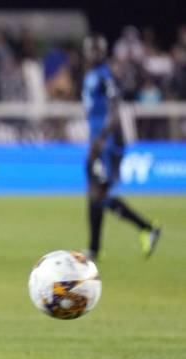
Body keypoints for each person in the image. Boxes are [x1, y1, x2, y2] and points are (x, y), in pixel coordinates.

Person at [82, 34, 161, 261]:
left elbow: (115, 111)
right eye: (90, 50)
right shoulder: (91, 76)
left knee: (100, 193)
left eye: (96, 50)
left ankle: (146, 228)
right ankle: (94, 249)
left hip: (107, 144)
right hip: (97, 141)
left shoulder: (105, 77)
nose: (92, 55)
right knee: (94, 192)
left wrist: (102, 139)